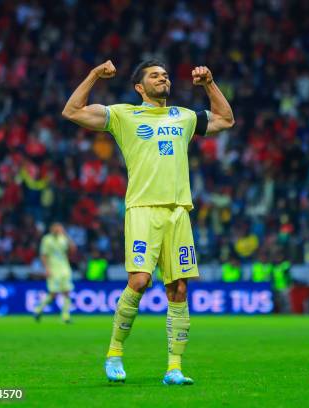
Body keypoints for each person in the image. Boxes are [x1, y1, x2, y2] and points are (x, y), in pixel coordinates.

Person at [62, 60, 234, 385]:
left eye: (165, 75)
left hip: (178, 211)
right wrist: (95, 75)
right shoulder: (124, 114)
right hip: (142, 208)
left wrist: (209, 83)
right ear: (140, 87)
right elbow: (72, 111)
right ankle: (114, 354)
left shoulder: (183, 116)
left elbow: (226, 119)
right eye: (154, 76)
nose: (163, 78)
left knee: (179, 289)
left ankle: (174, 368)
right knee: (139, 280)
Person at [33, 223, 76, 323]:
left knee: (67, 292)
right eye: (56, 228)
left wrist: (66, 235)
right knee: (53, 294)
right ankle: (38, 309)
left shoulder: (63, 238)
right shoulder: (47, 239)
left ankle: (66, 316)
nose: (58, 230)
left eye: (60, 228)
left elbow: (73, 250)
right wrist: (46, 269)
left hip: (65, 269)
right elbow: (43, 255)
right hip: (53, 269)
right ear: (52, 229)